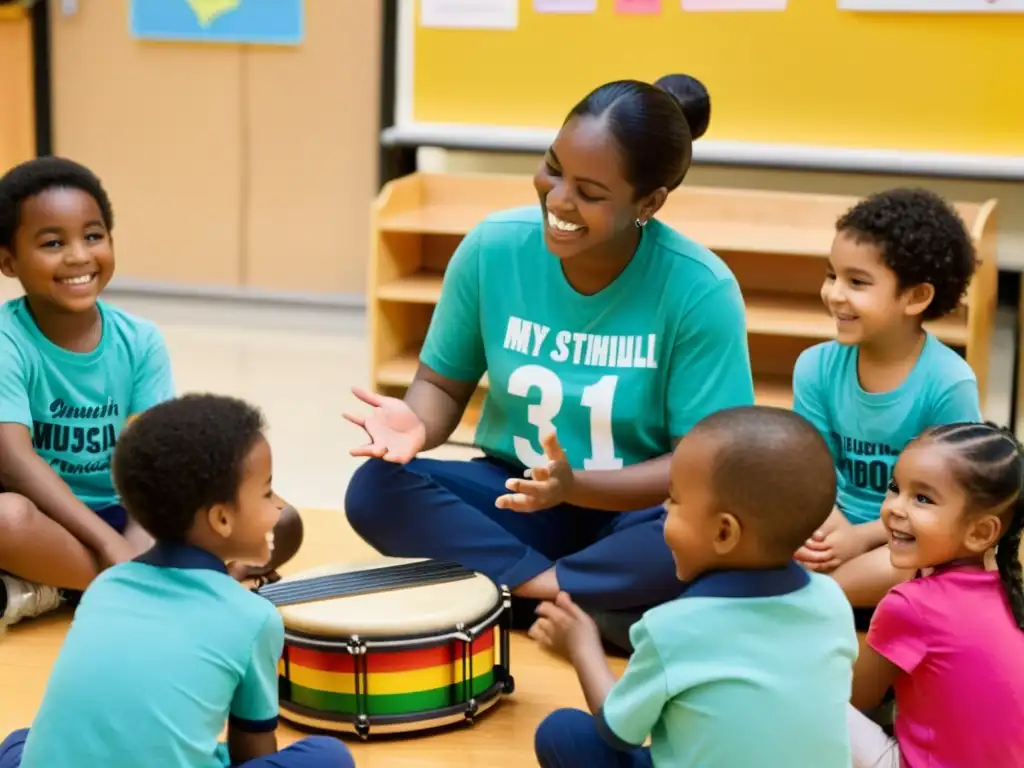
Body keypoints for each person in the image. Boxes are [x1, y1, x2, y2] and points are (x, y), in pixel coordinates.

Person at [342, 75, 754, 639]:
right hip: (516, 496)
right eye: (553, 168)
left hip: (638, 513)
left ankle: (507, 589)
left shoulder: (699, 288)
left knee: (716, 531)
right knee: (376, 488)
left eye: (590, 192)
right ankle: (557, 595)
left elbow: (704, 466)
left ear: (649, 202)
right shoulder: (493, 247)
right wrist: (415, 421)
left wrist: (576, 487)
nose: (558, 200)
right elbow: (441, 386)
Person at [0, 157, 303, 628]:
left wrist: (139, 541)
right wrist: (108, 544)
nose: (79, 256)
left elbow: (158, 464)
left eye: (93, 236)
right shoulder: (7, 340)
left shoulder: (139, 340)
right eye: (53, 243)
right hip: (48, 517)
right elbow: (15, 462)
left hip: (128, 511)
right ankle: (161, 581)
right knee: (6, 519)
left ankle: (63, 587)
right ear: (8, 260)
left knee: (279, 521)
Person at [0, 394, 355, 768]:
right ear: (221, 520)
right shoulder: (254, 617)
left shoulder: (105, 585)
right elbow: (251, 752)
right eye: (267, 493)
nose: (278, 507)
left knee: (22, 742)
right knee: (328, 755)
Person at [531, 406, 858, 768]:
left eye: (673, 501)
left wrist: (582, 645)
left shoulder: (671, 626)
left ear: (723, 532)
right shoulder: (833, 601)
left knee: (562, 732)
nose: (663, 512)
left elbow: (618, 733)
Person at [792, 187, 981, 628]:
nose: (835, 295)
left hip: (909, 538)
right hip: (830, 525)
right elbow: (810, 466)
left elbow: (947, 502)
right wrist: (831, 530)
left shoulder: (949, 383)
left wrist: (860, 538)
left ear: (915, 298)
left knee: (926, 566)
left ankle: (815, 599)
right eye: (831, 276)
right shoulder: (815, 367)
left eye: (857, 282)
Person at [848, 422, 1024, 767]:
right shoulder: (1007, 591)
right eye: (894, 487)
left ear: (980, 532)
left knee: (804, 684)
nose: (895, 507)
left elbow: (858, 694)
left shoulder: (911, 605)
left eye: (922, 498)